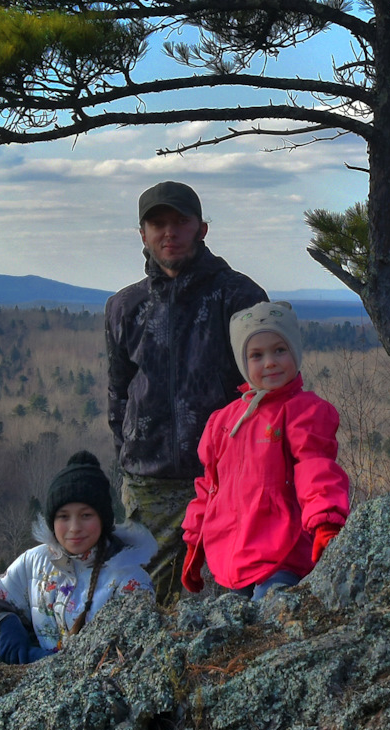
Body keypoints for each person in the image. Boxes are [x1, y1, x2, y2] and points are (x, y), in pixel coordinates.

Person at [105, 181, 268, 603]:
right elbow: (119, 392)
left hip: (225, 478)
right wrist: (135, 451)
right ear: (142, 233)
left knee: (229, 600)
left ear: (202, 229)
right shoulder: (125, 307)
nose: (169, 232)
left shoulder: (238, 296)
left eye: (180, 221)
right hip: (149, 484)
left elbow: (267, 389)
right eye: (157, 223)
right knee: (148, 604)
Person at [181, 301, 350, 599]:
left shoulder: (303, 412)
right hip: (234, 555)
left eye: (279, 350)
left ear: (295, 352)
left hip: (285, 551)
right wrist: (195, 543)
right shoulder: (223, 421)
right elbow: (209, 487)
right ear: (243, 363)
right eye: (256, 355)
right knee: (235, 635)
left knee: (269, 618)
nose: (270, 362)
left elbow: (316, 468)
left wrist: (326, 522)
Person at [0, 451, 155, 664]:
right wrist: (5, 621)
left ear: (104, 519)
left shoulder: (130, 580)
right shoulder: (35, 562)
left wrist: (39, 661)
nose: (74, 528)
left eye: (86, 515)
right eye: (63, 516)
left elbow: (128, 658)